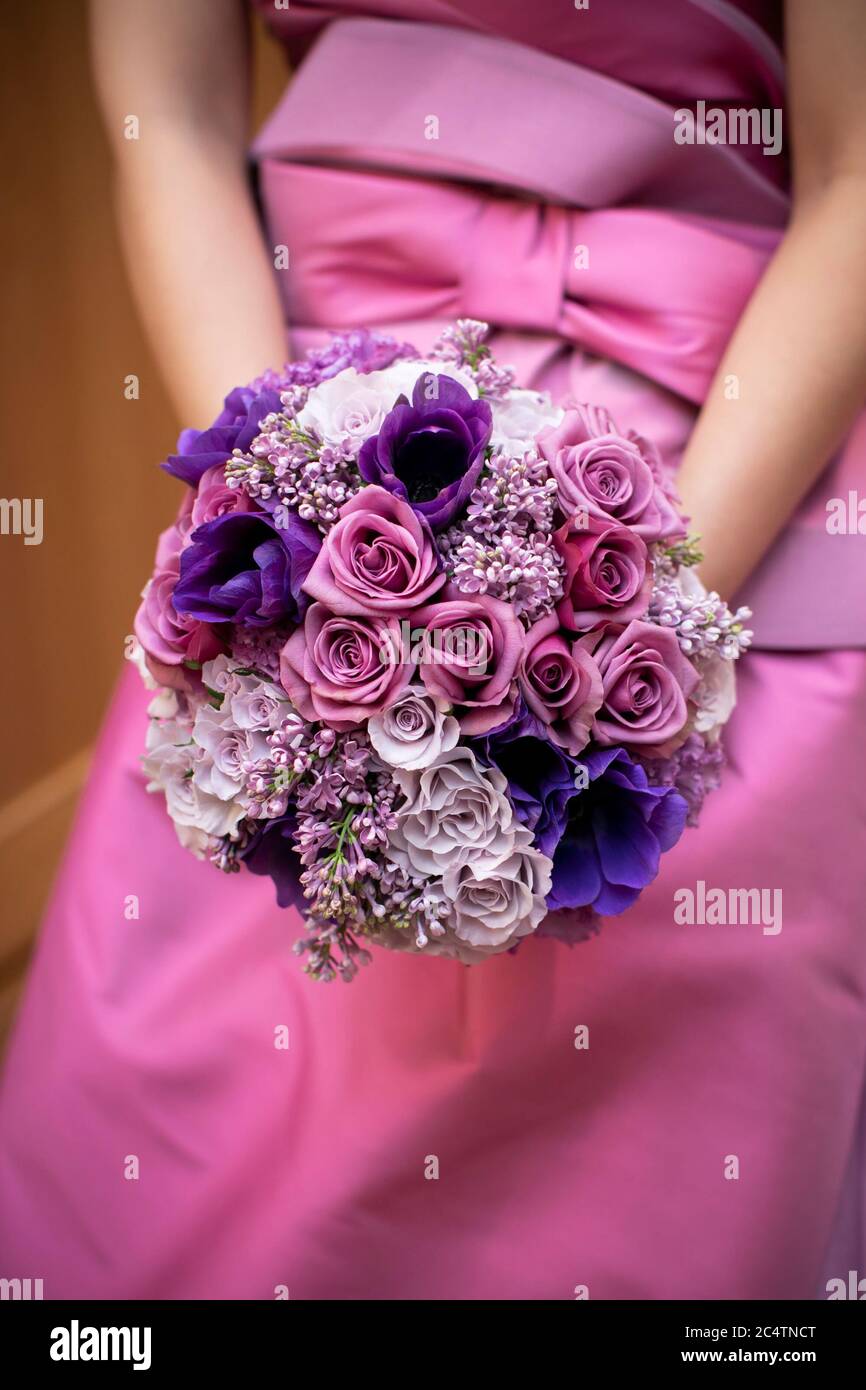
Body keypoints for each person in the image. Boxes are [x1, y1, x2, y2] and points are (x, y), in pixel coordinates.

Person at [1, 0, 865, 1299]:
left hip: (726, 466)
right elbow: (167, 122)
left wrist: (644, 603)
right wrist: (286, 525)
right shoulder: (295, 527)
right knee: (190, 1107)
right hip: (307, 449)